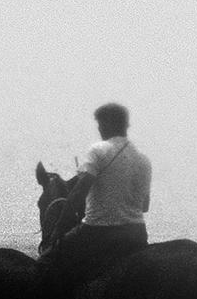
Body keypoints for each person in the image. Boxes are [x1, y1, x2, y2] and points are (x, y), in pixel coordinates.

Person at [50, 102, 152, 284]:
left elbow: (79, 192)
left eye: (100, 124)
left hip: (99, 232)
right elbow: (145, 206)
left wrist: (59, 228)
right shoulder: (143, 160)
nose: (99, 128)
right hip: (136, 233)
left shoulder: (98, 150)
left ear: (108, 124)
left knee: (48, 262)